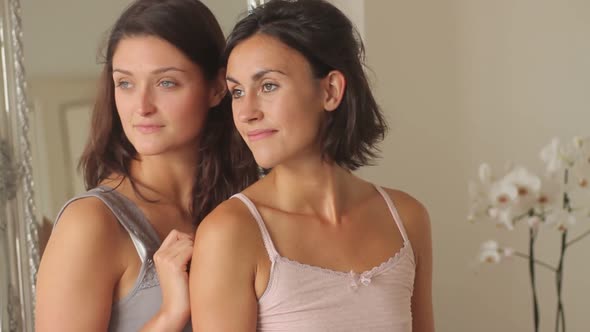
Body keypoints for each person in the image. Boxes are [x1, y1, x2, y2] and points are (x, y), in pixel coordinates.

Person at [189, 0, 435, 331]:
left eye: (268, 86)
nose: (246, 112)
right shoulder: (231, 234)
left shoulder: (406, 219)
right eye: (236, 92)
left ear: (330, 90)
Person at [35, 0, 258, 330]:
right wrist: (171, 314)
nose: (141, 106)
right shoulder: (91, 225)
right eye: (125, 83)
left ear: (216, 88)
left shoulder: (239, 208)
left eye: (166, 82)